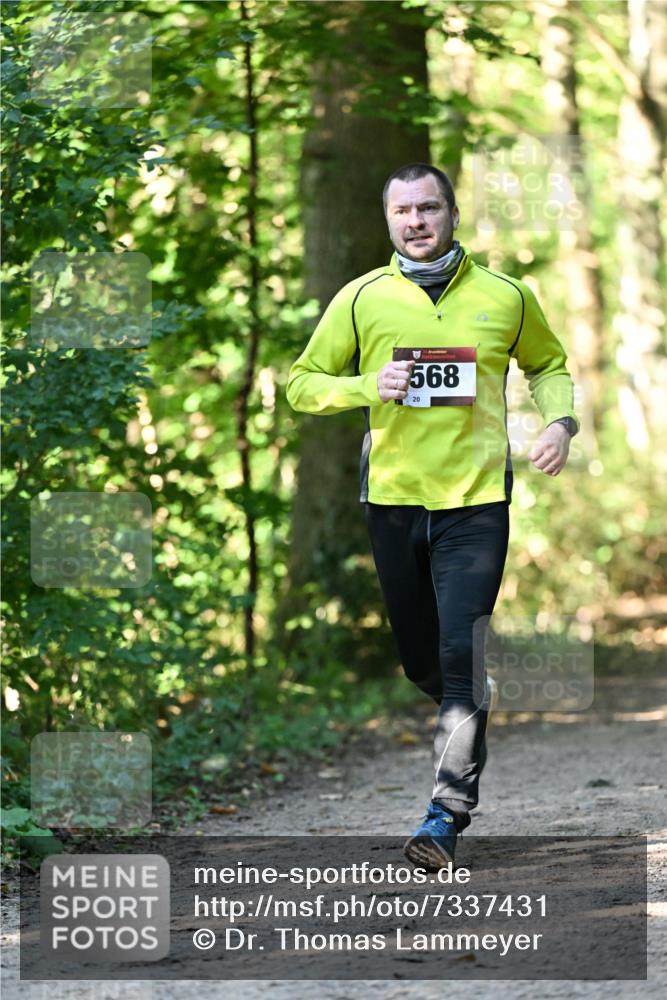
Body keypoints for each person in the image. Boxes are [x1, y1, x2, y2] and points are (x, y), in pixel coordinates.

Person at [286, 162, 579, 870]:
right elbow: (300, 383)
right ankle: (468, 696)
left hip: (476, 501)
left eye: (427, 209)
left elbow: (547, 365)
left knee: (457, 655)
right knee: (422, 656)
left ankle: (444, 815)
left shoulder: (504, 295)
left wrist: (558, 423)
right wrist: (365, 383)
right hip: (392, 501)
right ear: (387, 221)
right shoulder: (360, 300)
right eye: (401, 212)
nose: (415, 222)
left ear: (451, 213)